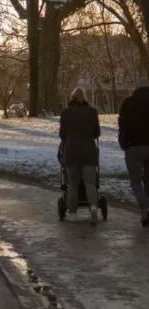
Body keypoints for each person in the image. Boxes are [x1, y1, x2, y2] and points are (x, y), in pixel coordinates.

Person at [59, 87, 101, 225]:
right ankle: (94, 207)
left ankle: (72, 211)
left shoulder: (66, 113)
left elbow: (62, 134)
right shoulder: (92, 112)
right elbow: (97, 133)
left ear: (72, 98)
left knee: (73, 184)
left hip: (72, 152)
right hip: (89, 151)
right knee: (90, 183)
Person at [119, 79, 149, 227]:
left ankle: (145, 207)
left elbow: (123, 125)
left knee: (136, 181)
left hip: (133, 147)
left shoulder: (128, 103)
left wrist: (123, 144)